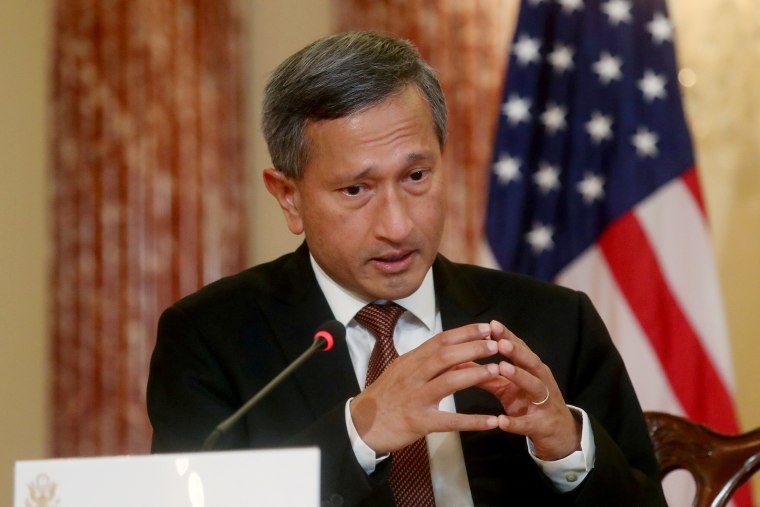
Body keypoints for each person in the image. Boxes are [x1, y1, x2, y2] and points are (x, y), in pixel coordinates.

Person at [147, 31, 666, 506]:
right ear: (288, 197)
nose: (397, 226)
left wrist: (566, 451)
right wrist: (361, 431)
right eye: (356, 189)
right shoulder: (209, 338)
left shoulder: (553, 321)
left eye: (417, 176)